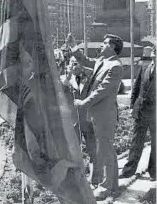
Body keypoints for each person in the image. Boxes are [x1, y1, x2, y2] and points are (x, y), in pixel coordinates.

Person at [66, 33, 123, 200]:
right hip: (98, 115)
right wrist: (74, 47)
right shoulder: (102, 61)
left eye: (104, 43)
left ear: (112, 46)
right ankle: (112, 187)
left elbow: (102, 91)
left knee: (105, 151)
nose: (101, 46)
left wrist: (84, 103)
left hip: (105, 115)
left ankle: (106, 188)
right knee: (106, 151)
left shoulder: (115, 66)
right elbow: (84, 61)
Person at [119, 46, 156, 181]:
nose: (153, 58)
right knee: (136, 142)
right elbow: (137, 86)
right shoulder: (145, 66)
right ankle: (128, 171)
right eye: (153, 55)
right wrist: (132, 106)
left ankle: (154, 172)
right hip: (141, 110)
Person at [60, 57, 98, 186]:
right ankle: (78, 181)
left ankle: (94, 180)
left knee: (93, 151)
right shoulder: (65, 79)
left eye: (76, 63)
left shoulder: (90, 76)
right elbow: (60, 96)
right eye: (71, 63)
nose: (73, 66)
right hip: (72, 121)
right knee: (73, 152)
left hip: (88, 120)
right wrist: (66, 80)